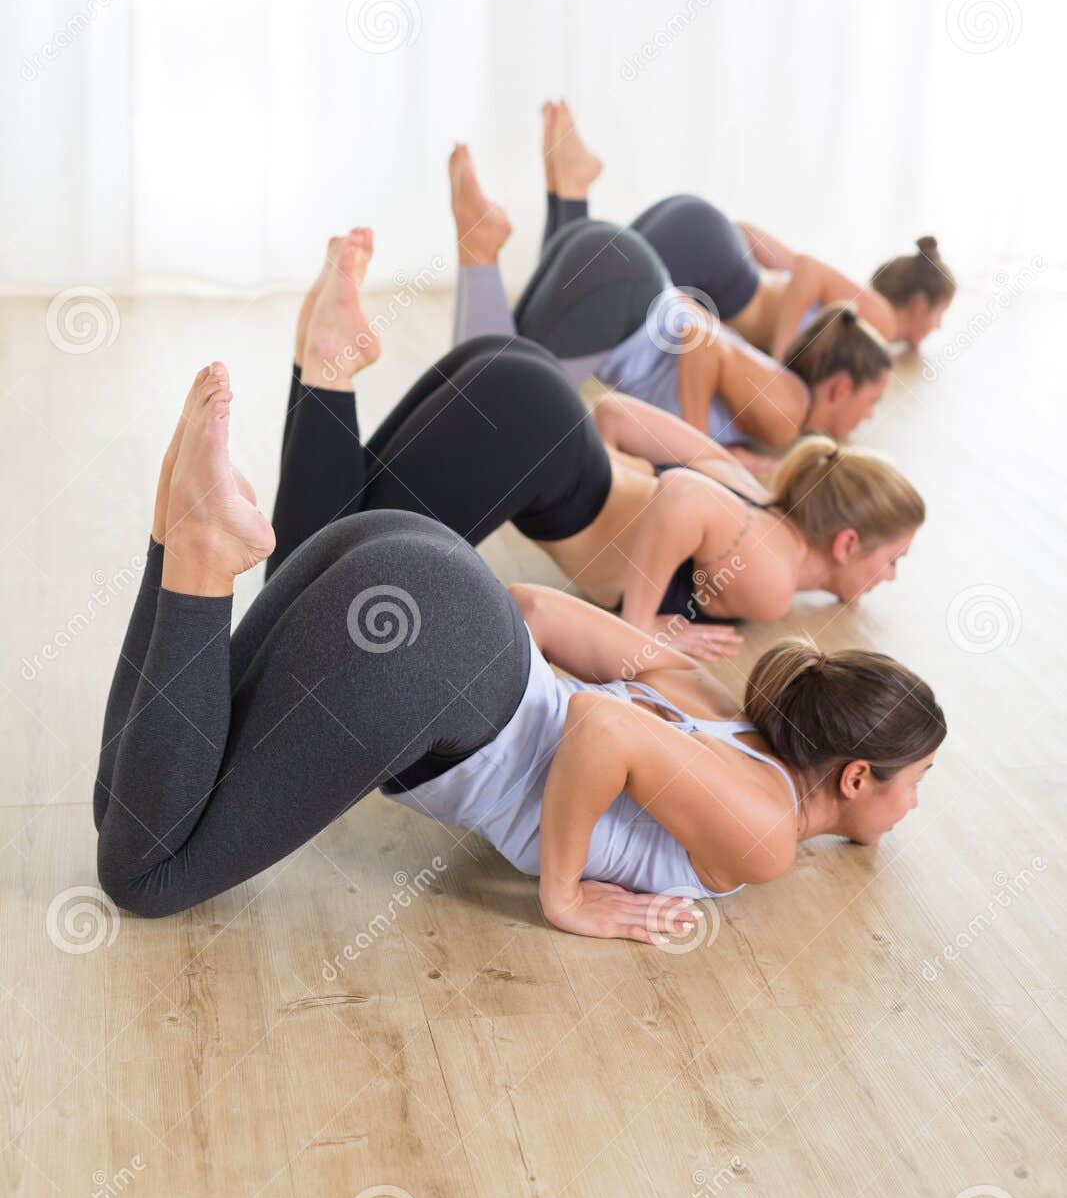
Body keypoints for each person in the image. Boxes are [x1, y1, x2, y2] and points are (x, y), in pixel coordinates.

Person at [93, 364, 946, 934]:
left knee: (126, 808)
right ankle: (199, 555)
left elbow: (535, 608)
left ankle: (180, 537)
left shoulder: (715, 702)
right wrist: (565, 895)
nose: (913, 807)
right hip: (428, 646)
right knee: (147, 878)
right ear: (856, 775)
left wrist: (445, 623)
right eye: (918, 782)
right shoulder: (766, 833)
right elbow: (602, 734)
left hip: (412, 561)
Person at [265, 229, 924, 658]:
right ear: (845, 542)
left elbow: (611, 417)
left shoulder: (749, 486)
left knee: (333, 550)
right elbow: (682, 498)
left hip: (527, 386)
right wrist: (636, 628)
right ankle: (325, 363)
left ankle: (317, 358)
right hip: (532, 433)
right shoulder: (775, 578)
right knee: (323, 603)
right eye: (892, 559)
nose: (890, 577)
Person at [450, 139, 894, 458]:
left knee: (492, 376)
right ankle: (480, 245)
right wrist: (697, 455)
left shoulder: (775, 405)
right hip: (621, 294)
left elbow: (698, 327)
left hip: (619, 275)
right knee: (494, 408)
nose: (871, 417)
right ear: (839, 388)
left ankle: (495, 233)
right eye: (872, 402)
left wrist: (729, 459)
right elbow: (701, 342)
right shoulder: (789, 412)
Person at [538, 98, 956, 358]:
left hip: (704, 231)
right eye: (940, 315)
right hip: (717, 264)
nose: (937, 328)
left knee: (577, 286)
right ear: (919, 305)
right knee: (583, 303)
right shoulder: (878, 321)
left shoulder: (846, 302)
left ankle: (563, 186)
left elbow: (752, 235)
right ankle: (570, 186)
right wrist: (782, 355)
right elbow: (807, 269)